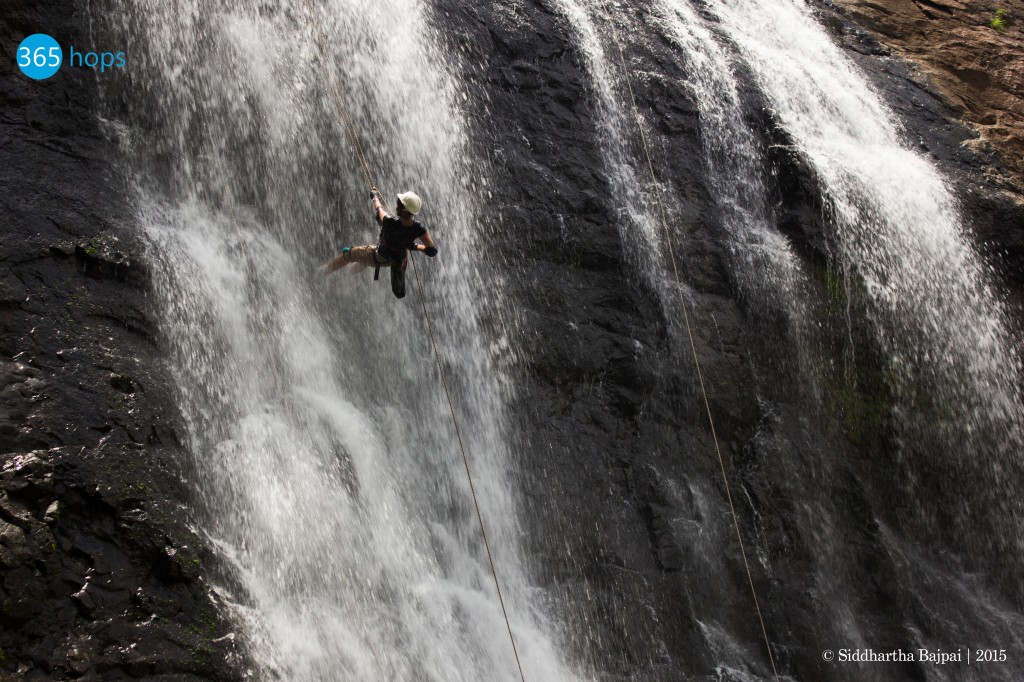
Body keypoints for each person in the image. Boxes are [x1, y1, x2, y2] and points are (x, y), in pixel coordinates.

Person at [325, 187, 438, 298]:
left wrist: (374, 196)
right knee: (364, 261)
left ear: (401, 208)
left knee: (348, 253)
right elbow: (431, 250)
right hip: (394, 261)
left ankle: (324, 273)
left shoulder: (390, 222)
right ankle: (346, 277)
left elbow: (379, 209)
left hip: (379, 255)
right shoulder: (419, 228)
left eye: (398, 204)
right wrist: (415, 246)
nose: (396, 205)